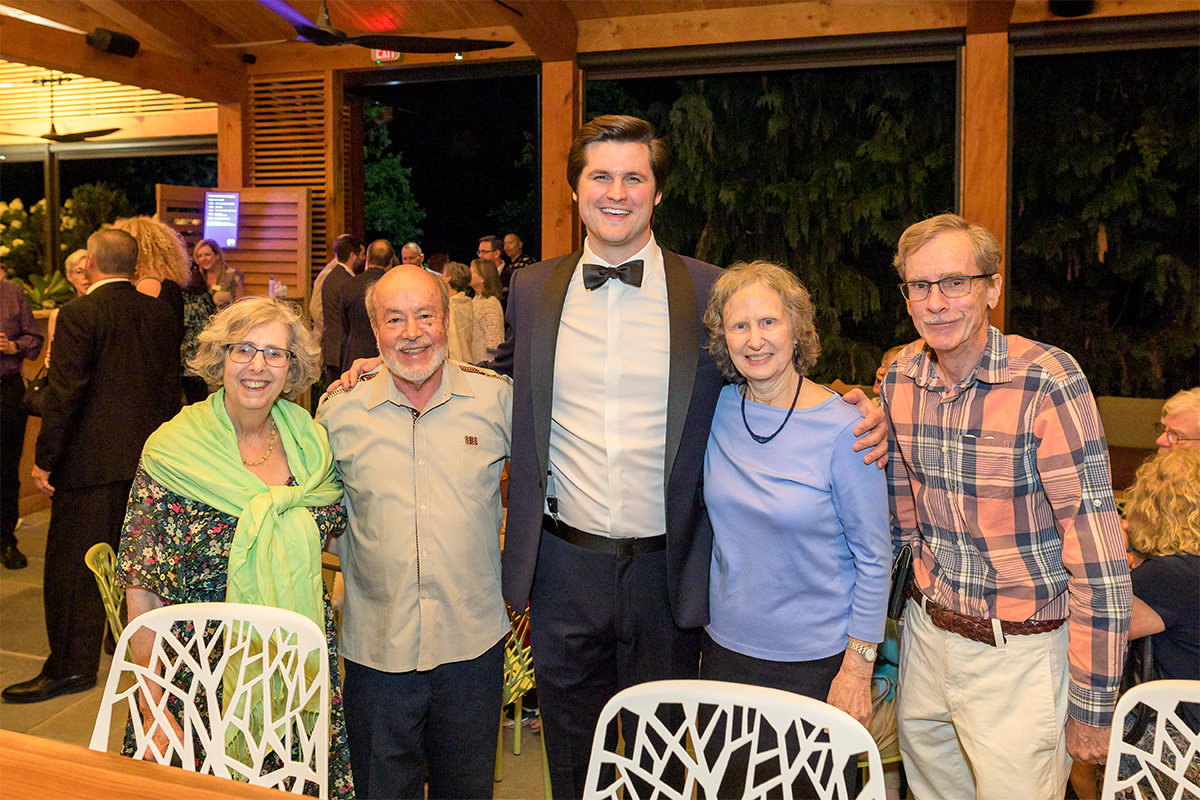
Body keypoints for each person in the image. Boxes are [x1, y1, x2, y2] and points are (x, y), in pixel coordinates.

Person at [334, 115, 887, 799]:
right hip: (564, 569)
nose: (616, 192)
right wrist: (375, 371)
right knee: (573, 758)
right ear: (576, 192)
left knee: (663, 762)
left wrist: (848, 400)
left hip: (670, 571)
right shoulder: (534, 289)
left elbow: (765, 369)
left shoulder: (707, 288)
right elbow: (490, 382)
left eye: (634, 177)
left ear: (656, 193)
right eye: (601, 176)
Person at [881, 213, 1131, 799]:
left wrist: (1093, 702)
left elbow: (1096, 557)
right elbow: (900, 526)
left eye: (955, 283)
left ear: (993, 288)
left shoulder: (1046, 379)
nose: (936, 302)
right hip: (925, 642)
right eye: (920, 286)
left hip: (1018, 655)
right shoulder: (899, 379)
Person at [316, 267, 510, 800]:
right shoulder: (337, 412)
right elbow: (317, 515)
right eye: (394, 319)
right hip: (376, 648)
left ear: (447, 321)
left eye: (426, 315)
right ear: (374, 331)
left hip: (472, 646)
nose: (412, 332)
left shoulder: (498, 402)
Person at [699, 261, 889, 792]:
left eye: (769, 323)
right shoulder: (714, 409)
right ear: (723, 339)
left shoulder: (847, 428)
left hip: (818, 666)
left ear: (798, 330)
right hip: (725, 657)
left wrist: (857, 670)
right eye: (739, 326)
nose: (755, 340)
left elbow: (875, 559)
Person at [3, 229, 181, 704]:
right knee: (137, 567)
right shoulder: (159, 313)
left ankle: (69, 667)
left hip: (89, 464)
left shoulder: (80, 313)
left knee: (72, 571)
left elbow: (65, 395)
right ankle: (138, 654)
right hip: (150, 461)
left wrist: (45, 461)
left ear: (94, 265)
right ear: (134, 261)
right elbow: (168, 390)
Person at [0, 265, 44, 571]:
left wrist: (13, 346)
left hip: (6, 391)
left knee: (5, 470)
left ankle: (5, 540)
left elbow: (35, 339)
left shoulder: (13, 293)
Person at [316, 235, 366, 386]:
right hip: (341, 350)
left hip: (331, 348)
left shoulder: (331, 276)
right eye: (362, 254)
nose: (364, 258)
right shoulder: (345, 281)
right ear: (352, 255)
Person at [337, 239, 392, 374]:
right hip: (385, 357)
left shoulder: (348, 285)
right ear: (390, 262)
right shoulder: (393, 287)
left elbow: (344, 324)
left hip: (354, 354)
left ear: (367, 259)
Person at [41, 249, 90, 369]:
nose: (85, 277)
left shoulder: (107, 310)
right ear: (69, 277)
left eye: (89, 270)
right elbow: (51, 357)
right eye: (79, 272)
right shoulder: (59, 315)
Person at [194, 238, 246, 311]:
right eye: (199, 256)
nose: (203, 259)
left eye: (207, 255)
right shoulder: (196, 278)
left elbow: (240, 305)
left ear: (217, 256)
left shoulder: (232, 275)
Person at [468, 257, 503, 362]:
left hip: (486, 365)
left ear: (482, 278)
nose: (468, 275)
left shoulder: (489, 303)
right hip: (476, 363)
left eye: (472, 272)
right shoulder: (476, 299)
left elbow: (495, 341)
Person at [442, 261, 475, 362]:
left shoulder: (451, 307)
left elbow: (453, 342)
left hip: (457, 363)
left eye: (443, 274)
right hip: (469, 357)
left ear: (449, 278)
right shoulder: (468, 303)